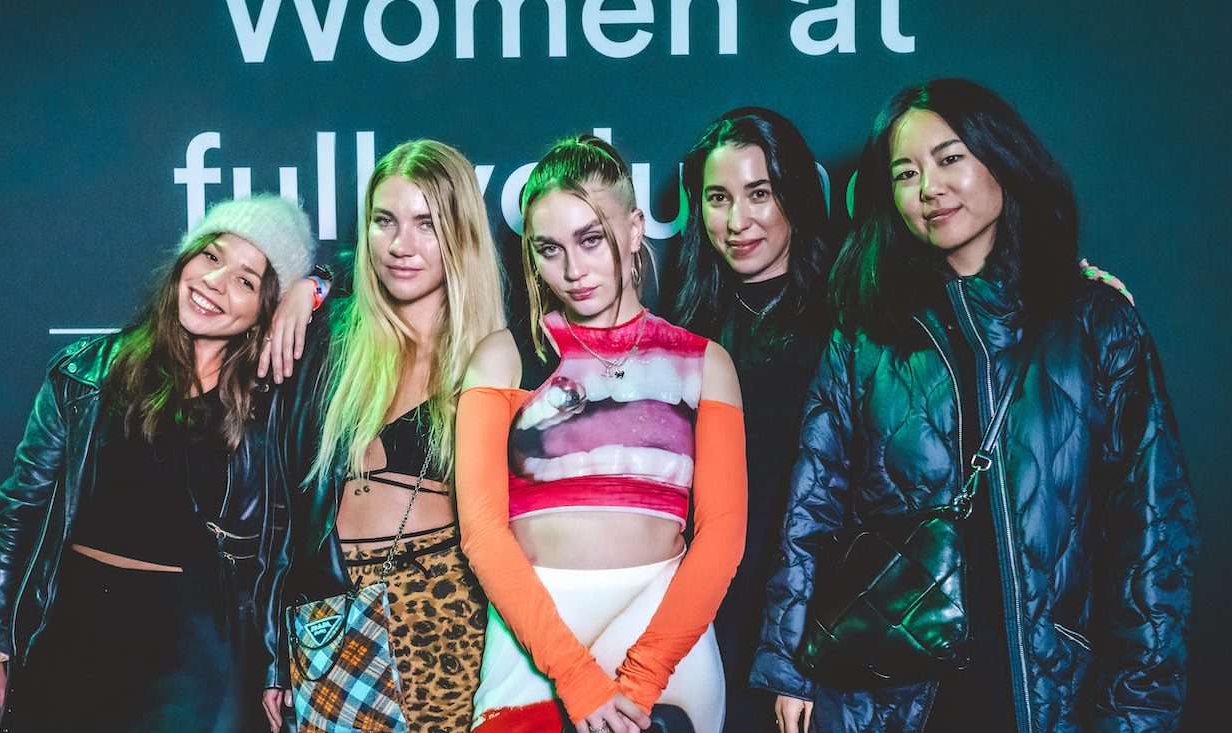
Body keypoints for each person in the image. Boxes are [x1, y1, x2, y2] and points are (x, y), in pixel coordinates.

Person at [751, 78, 1198, 733]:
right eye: (906, 171)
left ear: (1002, 158)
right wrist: (789, 663)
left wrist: (1137, 708)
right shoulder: (863, 335)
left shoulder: (1097, 323)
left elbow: (1154, 535)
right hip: (891, 685)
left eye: (950, 157)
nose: (929, 186)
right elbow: (812, 505)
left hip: (1050, 687)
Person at [0, 195, 317, 732]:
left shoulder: (273, 403)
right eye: (211, 257)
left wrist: (313, 286)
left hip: (193, 650)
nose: (215, 282)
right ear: (182, 263)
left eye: (246, 280)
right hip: (73, 627)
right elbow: (18, 510)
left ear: (269, 308)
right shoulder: (86, 375)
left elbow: (384, 280)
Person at [458, 134, 746, 733]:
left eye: (591, 239)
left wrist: (643, 676)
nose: (573, 270)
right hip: (532, 632)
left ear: (635, 228)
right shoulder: (503, 357)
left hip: (666, 633)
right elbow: (482, 531)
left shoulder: (703, 362)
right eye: (549, 249)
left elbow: (722, 534)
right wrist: (577, 677)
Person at [258, 139, 506, 733]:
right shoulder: (330, 336)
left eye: (427, 224)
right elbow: (275, 513)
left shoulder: (491, 352)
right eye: (384, 221)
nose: (401, 246)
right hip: (330, 610)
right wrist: (272, 654)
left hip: (444, 610)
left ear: (461, 233)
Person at [667, 107, 834, 732]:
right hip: (707, 618)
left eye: (759, 193)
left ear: (793, 192)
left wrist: (806, 654)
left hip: (809, 618)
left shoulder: (847, 319)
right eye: (718, 198)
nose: (737, 222)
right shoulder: (685, 326)